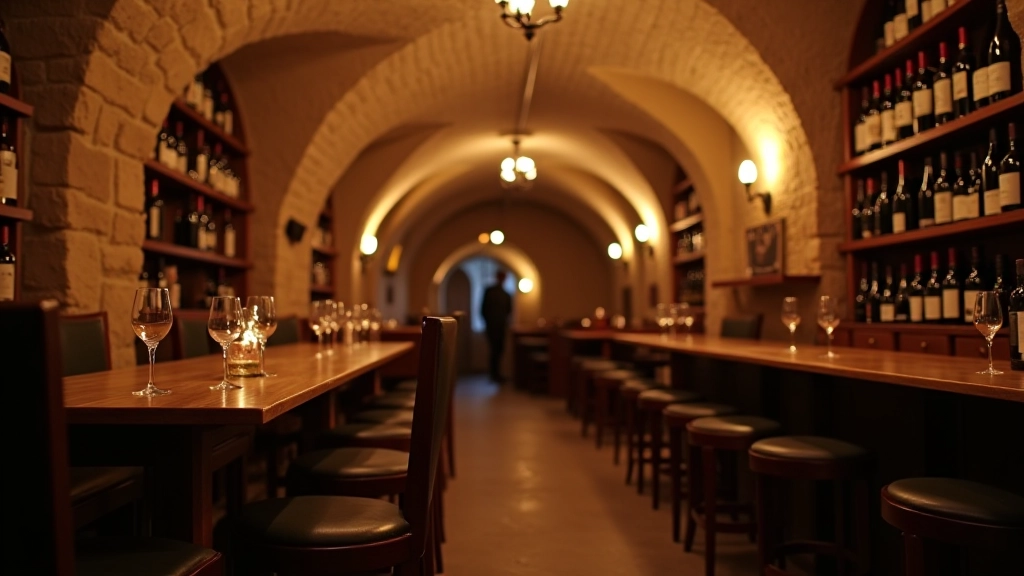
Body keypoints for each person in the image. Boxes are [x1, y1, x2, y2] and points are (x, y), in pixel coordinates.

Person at [481, 270, 512, 383]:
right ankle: (493, 374)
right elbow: (483, 310)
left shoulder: (506, 294)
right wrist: (489, 323)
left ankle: (497, 374)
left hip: (501, 327)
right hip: (492, 327)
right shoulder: (489, 291)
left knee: (499, 350)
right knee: (494, 350)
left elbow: (509, 311)